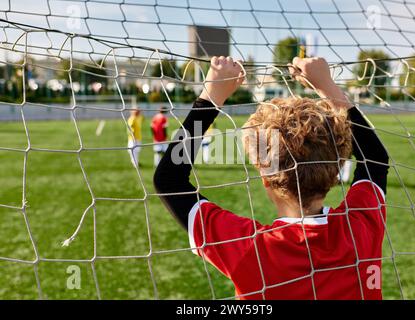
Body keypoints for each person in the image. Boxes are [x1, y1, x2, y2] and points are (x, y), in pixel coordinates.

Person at [153, 56, 389, 300]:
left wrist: (212, 95)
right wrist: (327, 86)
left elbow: (168, 181)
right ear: (337, 170)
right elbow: (376, 158)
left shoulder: (251, 249)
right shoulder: (361, 228)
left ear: (266, 178)